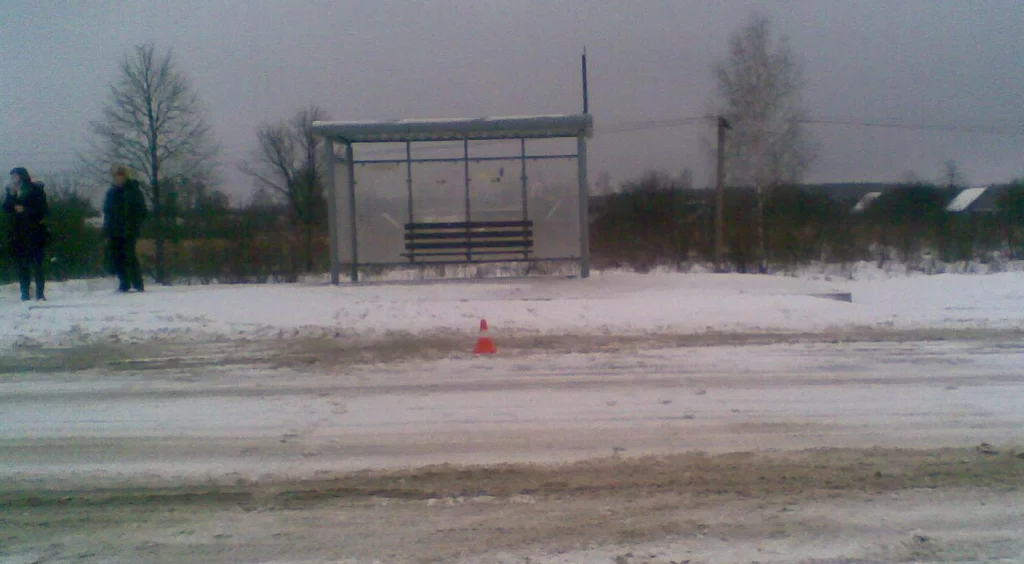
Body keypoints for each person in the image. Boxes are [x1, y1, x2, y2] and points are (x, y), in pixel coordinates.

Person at [3, 167, 49, 301]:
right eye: (12, 176)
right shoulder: (12, 190)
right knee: (22, 265)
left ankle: (40, 294)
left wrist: (25, 210)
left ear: (22, 176)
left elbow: (43, 210)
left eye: (15, 175)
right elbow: (6, 208)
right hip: (19, 233)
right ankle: (25, 294)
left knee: (38, 264)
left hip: (36, 231)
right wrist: (11, 196)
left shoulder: (35, 190)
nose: (13, 179)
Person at [103, 165, 148, 292]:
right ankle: (124, 283)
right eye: (116, 176)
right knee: (117, 257)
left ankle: (138, 284)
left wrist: (134, 224)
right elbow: (108, 212)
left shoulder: (133, 191)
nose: (118, 178)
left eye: (120, 175)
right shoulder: (111, 193)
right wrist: (106, 230)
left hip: (129, 230)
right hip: (114, 230)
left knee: (129, 256)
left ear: (126, 176)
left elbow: (141, 211)